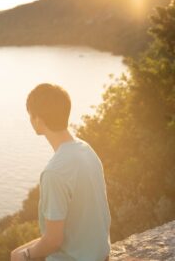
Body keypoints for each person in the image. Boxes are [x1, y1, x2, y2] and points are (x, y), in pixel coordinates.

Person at [11, 83, 111, 261]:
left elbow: (54, 241)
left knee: (18, 257)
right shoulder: (86, 149)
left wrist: (25, 256)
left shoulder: (54, 173)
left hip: (77, 258)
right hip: (99, 253)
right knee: (15, 253)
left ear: (38, 121)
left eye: (31, 116)